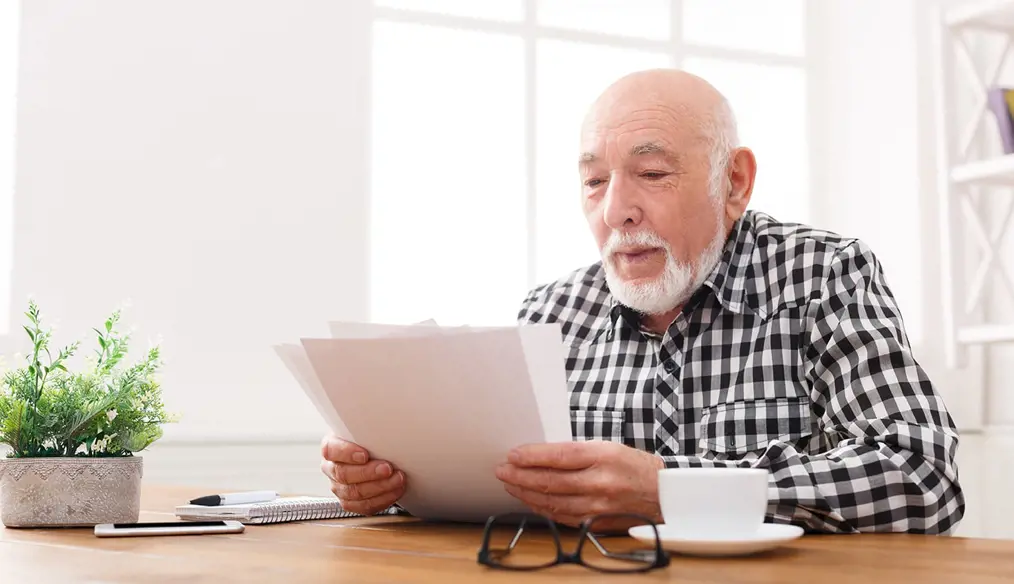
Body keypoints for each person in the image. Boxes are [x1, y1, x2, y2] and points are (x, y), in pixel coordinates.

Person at [320, 68, 965, 534]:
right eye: (594, 181)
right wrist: (393, 482)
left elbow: (924, 474)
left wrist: (673, 491)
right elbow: (507, 488)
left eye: (652, 175)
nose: (616, 210)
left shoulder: (822, 274)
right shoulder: (552, 312)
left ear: (733, 181)